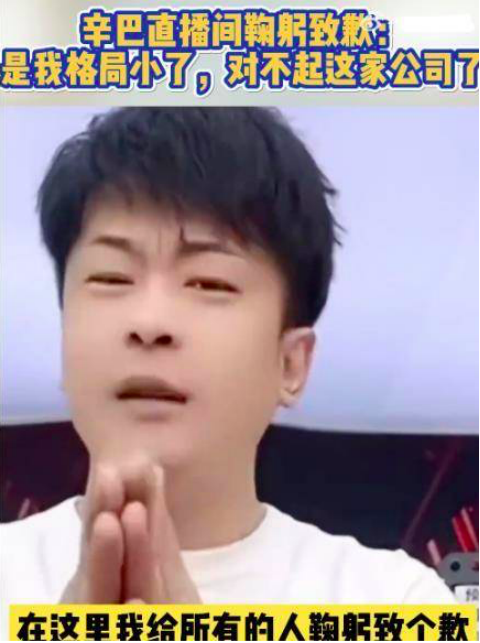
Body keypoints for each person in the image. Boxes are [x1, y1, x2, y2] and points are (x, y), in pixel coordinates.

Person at [0, 107, 456, 634]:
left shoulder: (393, 602)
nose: (149, 323)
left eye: (209, 283)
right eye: (111, 278)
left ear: (291, 363)